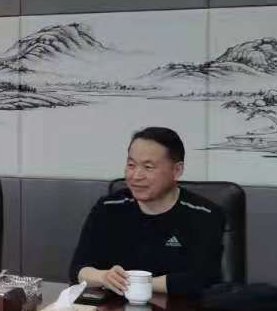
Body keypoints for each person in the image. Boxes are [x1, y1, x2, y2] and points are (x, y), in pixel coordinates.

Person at [70, 127, 225, 298]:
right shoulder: (109, 207)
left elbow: (203, 279)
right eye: (131, 165)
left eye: (148, 167)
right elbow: (78, 270)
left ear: (177, 170)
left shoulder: (203, 214)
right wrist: (103, 277)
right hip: (114, 310)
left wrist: (136, 283)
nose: (136, 176)